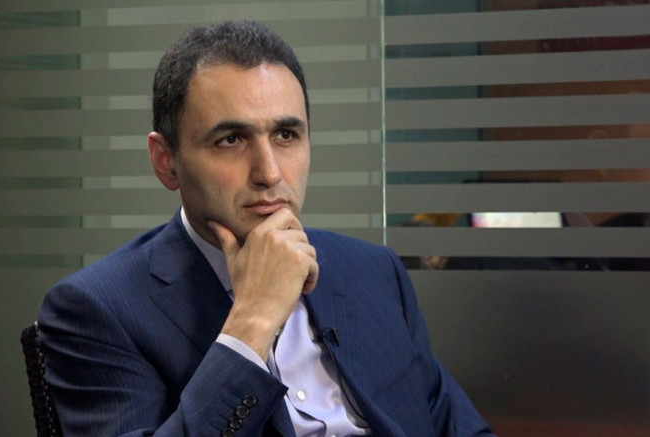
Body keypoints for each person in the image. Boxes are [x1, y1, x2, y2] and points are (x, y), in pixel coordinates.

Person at [38, 21, 495, 437]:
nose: (270, 172)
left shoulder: (374, 272)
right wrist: (252, 322)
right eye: (231, 140)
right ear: (166, 162)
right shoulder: (96, 309)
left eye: (286, 135)